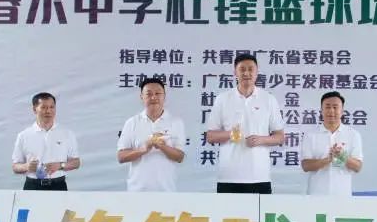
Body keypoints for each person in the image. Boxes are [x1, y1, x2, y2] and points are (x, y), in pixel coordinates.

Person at [205, 53, 285, 194]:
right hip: (228, 177)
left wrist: (261, 139)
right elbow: (210, 136)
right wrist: (231, 134)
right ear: (235, 72)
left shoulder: (268, 99)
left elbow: (280, 137)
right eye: (242, 69)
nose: (246, 73)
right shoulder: (223, 99)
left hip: (259, 176)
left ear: (257, 72)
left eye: (250, 69)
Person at [117, 77, 187, 192]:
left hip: (167, 190)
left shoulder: (176, 122)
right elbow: (121, 157)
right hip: (137, 191)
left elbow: (180, 157)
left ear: (164, 96)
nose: (153, 97)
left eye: (158, 93)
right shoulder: (132, 122)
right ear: (142, 97)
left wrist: (162, 146)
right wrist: (143, 149)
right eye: (148, 94)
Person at [11, 92, 80, 191]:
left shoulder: (67, 134)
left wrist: (60, 165)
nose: (48, 111)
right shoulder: (24, 135)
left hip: (58, 185)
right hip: (32, 186)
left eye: (52, 107)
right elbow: (15, 167)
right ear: (34, 109)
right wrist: (26, 166)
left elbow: (76, 162)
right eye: (44, 107)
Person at [301, 91, 363, 196]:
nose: (331, 111)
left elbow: (358, 167)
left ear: (342, 111)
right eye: (327, 107)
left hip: (343, 195)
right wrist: (327, 160)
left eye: (335, 107)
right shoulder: (310, 135)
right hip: (316, 195)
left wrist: (342, 156)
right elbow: (305, 166)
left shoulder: (353, 135)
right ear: (321, 110)